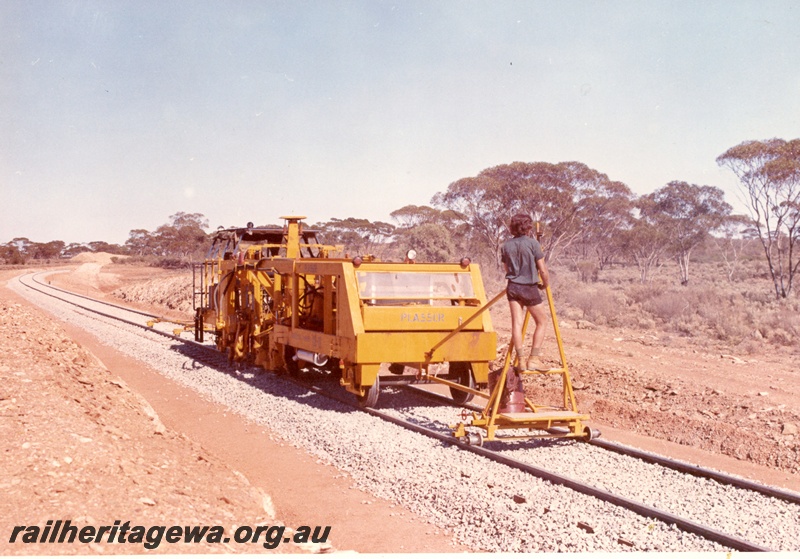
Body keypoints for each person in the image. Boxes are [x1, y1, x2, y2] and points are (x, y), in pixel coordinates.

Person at [500, 213, 551, 372]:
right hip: (529, 288)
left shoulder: (506, 246)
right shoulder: (533, 244)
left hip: (513, 287)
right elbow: (543, 270)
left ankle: (521, 359)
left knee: (517, 323)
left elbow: (506, 269)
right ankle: (534, 359)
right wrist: (545, 284)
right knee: (542, 321)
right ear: (527, 227)